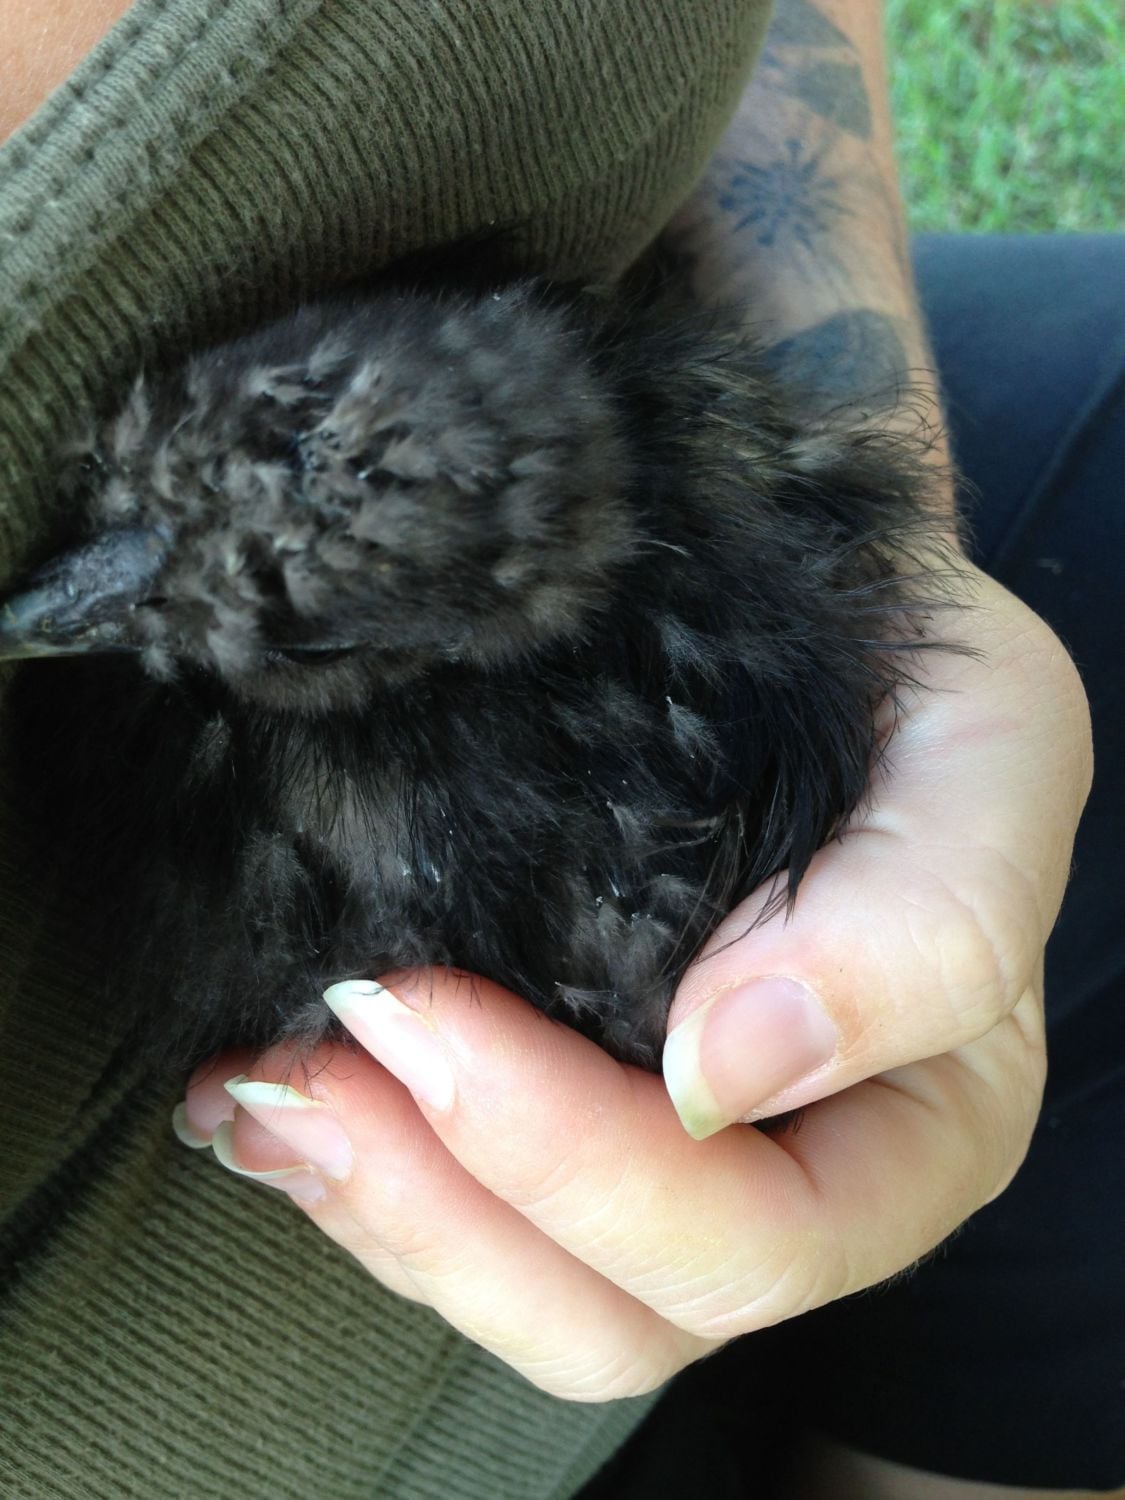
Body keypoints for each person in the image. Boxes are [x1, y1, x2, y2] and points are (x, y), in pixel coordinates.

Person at [0, 4, 1117, 1500]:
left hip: (738, 1128)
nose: (85, 593)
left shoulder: (580, 757)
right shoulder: (383, 800)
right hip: (322, 1392)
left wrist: (892, 549)